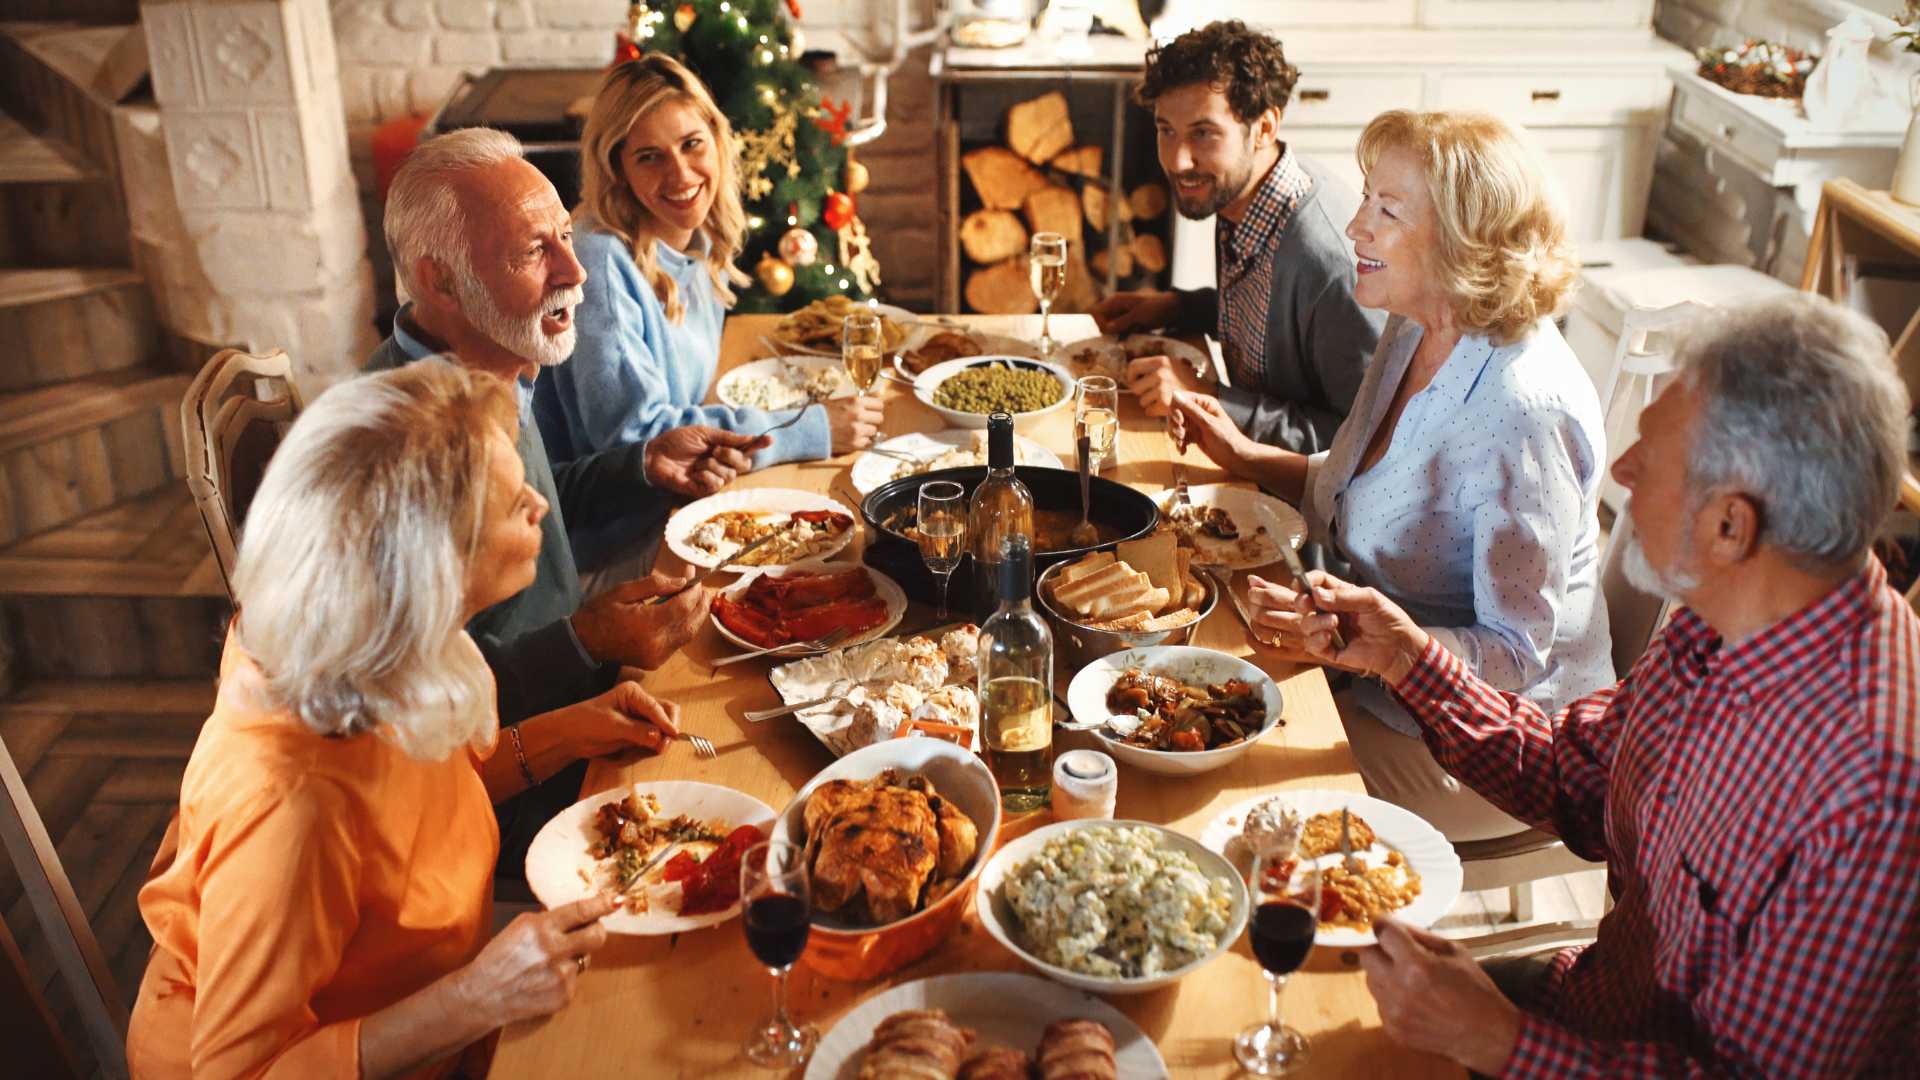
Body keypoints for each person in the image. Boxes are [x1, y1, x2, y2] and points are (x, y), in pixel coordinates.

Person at [1287, 294, 1920, 1075]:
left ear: (1731, 526)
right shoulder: (1724, 616)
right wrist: (1407, 659)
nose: (1618, 471)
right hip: (1586, 1007)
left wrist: (1498, 1040)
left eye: (1647, 462)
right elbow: (1575, 778)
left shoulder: (1874, 790)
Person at [129, 363, 683, 1077]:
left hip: (434, 1013)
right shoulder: (292, 804)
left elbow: (427, 804)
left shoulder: (376, 640)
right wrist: (476, 998)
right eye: (515, 504)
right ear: (432, 570)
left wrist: (581, 726)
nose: (541, 506)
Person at [1175, 109, 1612, 842]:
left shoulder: (1521, 409)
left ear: (1466, 236)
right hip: (1380, 676)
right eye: (1365, 198)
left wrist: (1374, 648)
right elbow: (1371, 484)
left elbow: (1513, 654)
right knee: (1189, 694)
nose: (1355, 227)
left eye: (1387, 208)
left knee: (1225, 777)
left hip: (1496, 746)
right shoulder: (1417, 323)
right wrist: (1247, 460)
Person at [370, 127, 754, 872]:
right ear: (439, 280)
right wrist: (587, 642)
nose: (575, 271)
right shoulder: (397, 455)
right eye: (531, 252)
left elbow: (531, 514)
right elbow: (422, 717)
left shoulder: (496, 361)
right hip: (501, 798)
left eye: (567, 237)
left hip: (581, 694)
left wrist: (640, 464)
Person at [536, 55, 884, 488]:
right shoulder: (599, 262)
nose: (680, 174)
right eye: (649, 157)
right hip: (623, 530)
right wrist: (807, 430)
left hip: (692, 488)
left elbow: (682, 412)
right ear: (617, 169)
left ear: (717, 140)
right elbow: (639, 441)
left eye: (691, 144)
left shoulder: (694, 239)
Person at [1089, 19, 1381, 456]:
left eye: (1203, 133)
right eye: (1166, 130)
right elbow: (1267, 320)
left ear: (1264, 128)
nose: (1178, 160)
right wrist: (1179, 306)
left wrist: (1211, 397)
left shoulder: (1331, 265)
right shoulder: (1241, 196)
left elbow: (1366, 441)